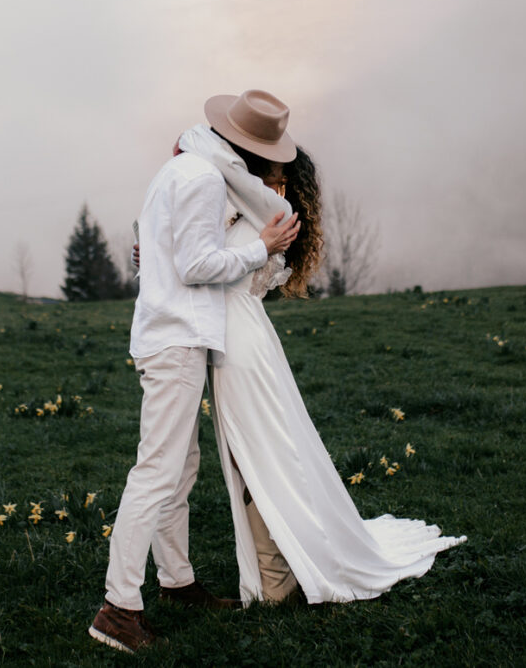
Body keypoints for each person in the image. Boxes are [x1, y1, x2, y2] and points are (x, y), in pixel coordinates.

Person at [174, 96, 468, 608]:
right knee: (256, 450)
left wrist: (199, 147)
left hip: (240, 340)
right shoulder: (245, 196)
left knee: (257, 450)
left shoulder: (265, 204)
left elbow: (203, 162)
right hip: (240, 336)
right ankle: (275, 568)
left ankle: (278, 572)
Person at [89, 90, 302, 655]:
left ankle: (177, 582)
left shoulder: (176, 169)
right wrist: (261, 247)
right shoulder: (205, 180)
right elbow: (196, 264)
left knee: (180, 468)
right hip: (177, 339)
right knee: (158, 472)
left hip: (165, 334)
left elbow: (152, 253)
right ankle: (118, 608)